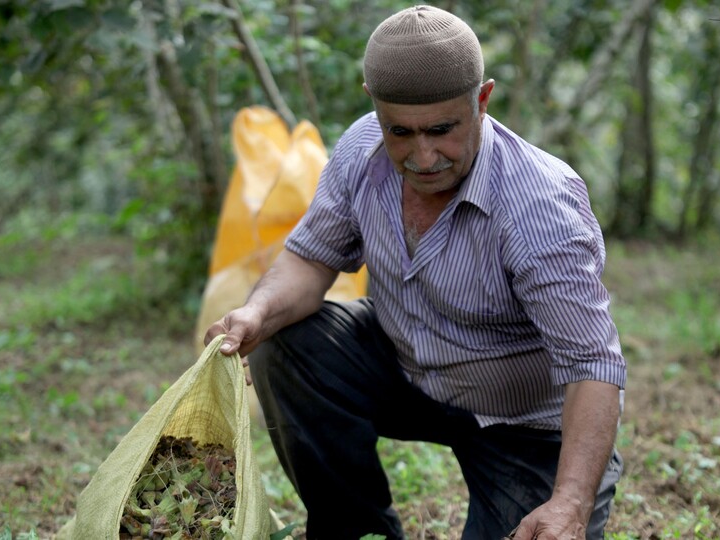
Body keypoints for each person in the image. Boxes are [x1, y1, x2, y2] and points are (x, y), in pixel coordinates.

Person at [204, 5, 626, 539]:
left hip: (524, 425)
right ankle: (355, 529)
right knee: (285, 343)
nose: (423, 156)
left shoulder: (540, 205)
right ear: (374, 105)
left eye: (443, 130)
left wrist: (569, 503)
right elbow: (312, 260)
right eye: (400, 131)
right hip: (405, 369)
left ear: (482, 99)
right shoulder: (362, 149)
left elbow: (592, 364)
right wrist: (255, 313)